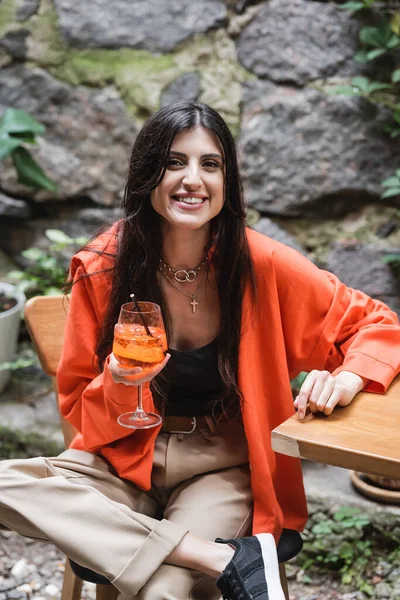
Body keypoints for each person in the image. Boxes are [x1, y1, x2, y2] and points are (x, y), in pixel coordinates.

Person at [1, 101, 400, 600]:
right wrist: (120, 387)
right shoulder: (105, 265)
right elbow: (83, 412)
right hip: (123, 459)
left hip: (219, 464)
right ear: (148, 174)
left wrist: (344, 378)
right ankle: (219, 558)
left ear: (226, 182)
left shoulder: (260, 263)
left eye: (209, 164)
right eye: (174, 162)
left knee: (164, 592)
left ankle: (179, 550)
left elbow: (375, 322)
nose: (192, 179)